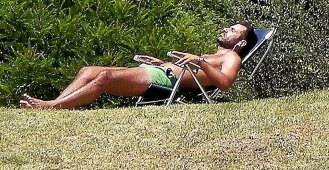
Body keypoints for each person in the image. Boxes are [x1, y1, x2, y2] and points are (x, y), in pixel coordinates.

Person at [19, 22, 257, 110]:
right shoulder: (212, 55)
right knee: (88, 71)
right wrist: (163, 62)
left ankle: (51, 106)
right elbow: (188, 69)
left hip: (164, 82)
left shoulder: (231, 58)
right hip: (161, 71)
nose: (227, 30)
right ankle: (56, 104)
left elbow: (225, 83)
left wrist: (200, 61)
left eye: (233, 30)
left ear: (241, 41)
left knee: (103, 77)